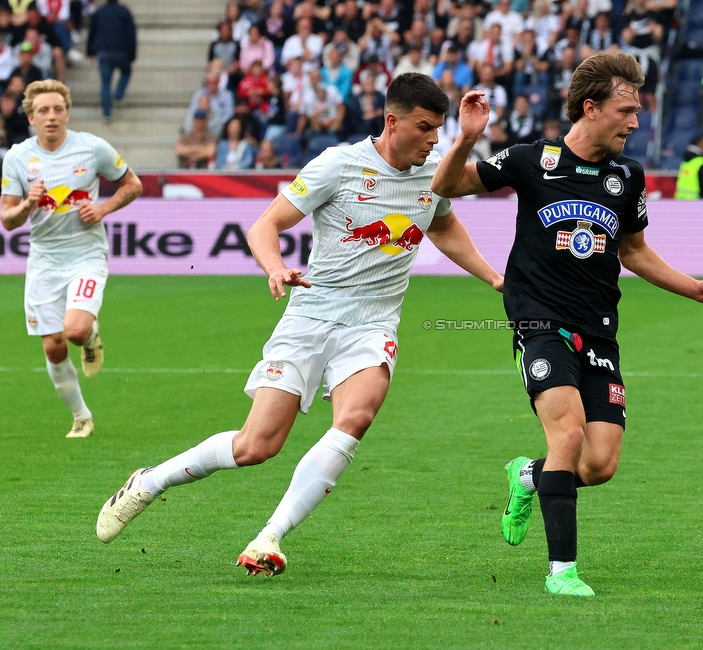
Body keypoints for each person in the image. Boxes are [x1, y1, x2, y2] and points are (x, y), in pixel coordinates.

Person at [94, 73, 505, 577]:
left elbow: (442, 226)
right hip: (313, 314)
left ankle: (270, 536)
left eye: (439, 129)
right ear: (392, 121)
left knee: (355, 419)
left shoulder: (432, 176)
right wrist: (274, 267)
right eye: (424, 128)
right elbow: (265, 225)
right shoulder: (339, 164)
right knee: (256, 447)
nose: (433, 139)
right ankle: (149, 482)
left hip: (373, 324)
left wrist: (492, 277)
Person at [431, 50, 703, 596]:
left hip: (599, 330)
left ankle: (528, 475)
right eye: (626, 110)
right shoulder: (534, 160)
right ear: (591, 107)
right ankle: (563, 572)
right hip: (539, 320)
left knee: (599, 463)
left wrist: (694, 287)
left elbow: (635, 251)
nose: (634, 121)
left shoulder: (627, 175)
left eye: (638, 112)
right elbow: (448, 186)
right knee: (568, 432)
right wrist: (466, 137)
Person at [0, 80, 143, 438]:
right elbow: (8, 220)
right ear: (31, 117)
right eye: (43, 111)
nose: (52, 117)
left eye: (58, 109)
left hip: (86, 254)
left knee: (75, 331)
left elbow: (132, 185)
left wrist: (103, 209)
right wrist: (27, 203)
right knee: (53, 345)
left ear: (67, 112)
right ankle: (81, 416)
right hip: (44, 260)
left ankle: (91, 336)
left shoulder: (91, 147)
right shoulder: (17, 157)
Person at [86, 0, 136, 123]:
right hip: (121, 52)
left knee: (105, 83)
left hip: (103, 52)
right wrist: (132, 55)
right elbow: (131, 34)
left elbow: (92, 32)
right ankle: (118, 96)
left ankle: (107, 113)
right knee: (126, 72)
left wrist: (90, 52)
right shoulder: (124, 12)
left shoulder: (99, 12)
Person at [674, 134, 703, 199]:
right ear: (699, 144)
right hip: (695, 201)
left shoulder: (685, 162)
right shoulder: (700, 162)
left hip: (681, 200)